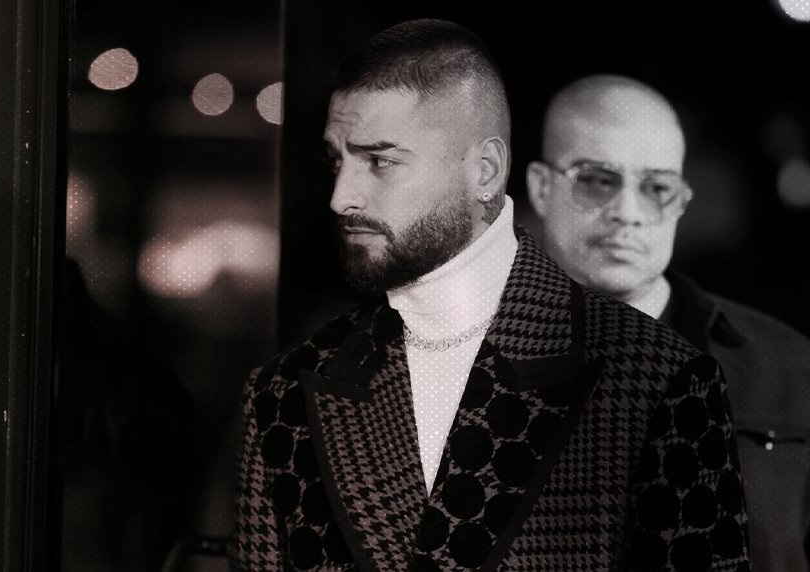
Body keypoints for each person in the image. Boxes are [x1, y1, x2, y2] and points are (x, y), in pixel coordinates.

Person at [232, 20, 750, 571]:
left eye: (380, 161)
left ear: (485, 171)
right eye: (337, 160)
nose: (342, 197)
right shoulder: (284, 393)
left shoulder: (659, 380)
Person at [526, 73, 810, 572]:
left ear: (680, 201)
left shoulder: (788, 367)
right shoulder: (459, 358)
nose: (628, 212)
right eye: (597, 180)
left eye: (656, 187)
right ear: (541, 188)